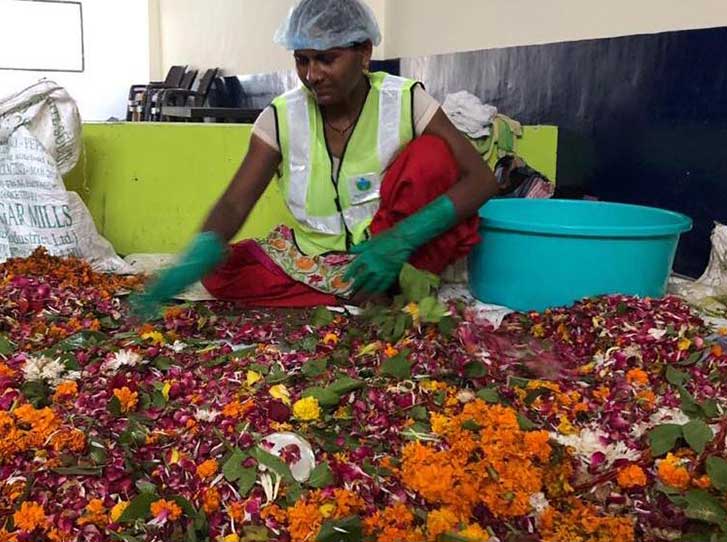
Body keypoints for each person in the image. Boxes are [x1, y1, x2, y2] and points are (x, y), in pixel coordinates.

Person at [131, 0, 498, 318]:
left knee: (432, 157)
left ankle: (389, 281)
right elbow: (234, 201)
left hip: (393, 251)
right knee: (222, 272)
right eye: (302, 60)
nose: (312, 75)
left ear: (365, 52)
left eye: (327, 59)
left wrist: (400, 240)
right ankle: (365, 291)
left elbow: (481, 179)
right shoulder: (280, 117)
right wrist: (197, 253)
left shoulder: (404, 100)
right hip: (318, 255)